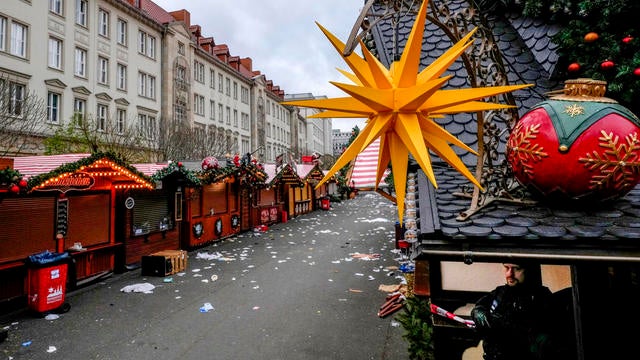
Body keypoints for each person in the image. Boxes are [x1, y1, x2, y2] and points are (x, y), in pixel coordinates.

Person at [471, 262, 553, 360]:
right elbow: (481, 305)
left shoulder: (541, 297)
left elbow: (535, 335)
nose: (509, 274)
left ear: (530, 270)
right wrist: (478, 311)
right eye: (506, 268)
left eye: (517, 269)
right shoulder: (499, 292)